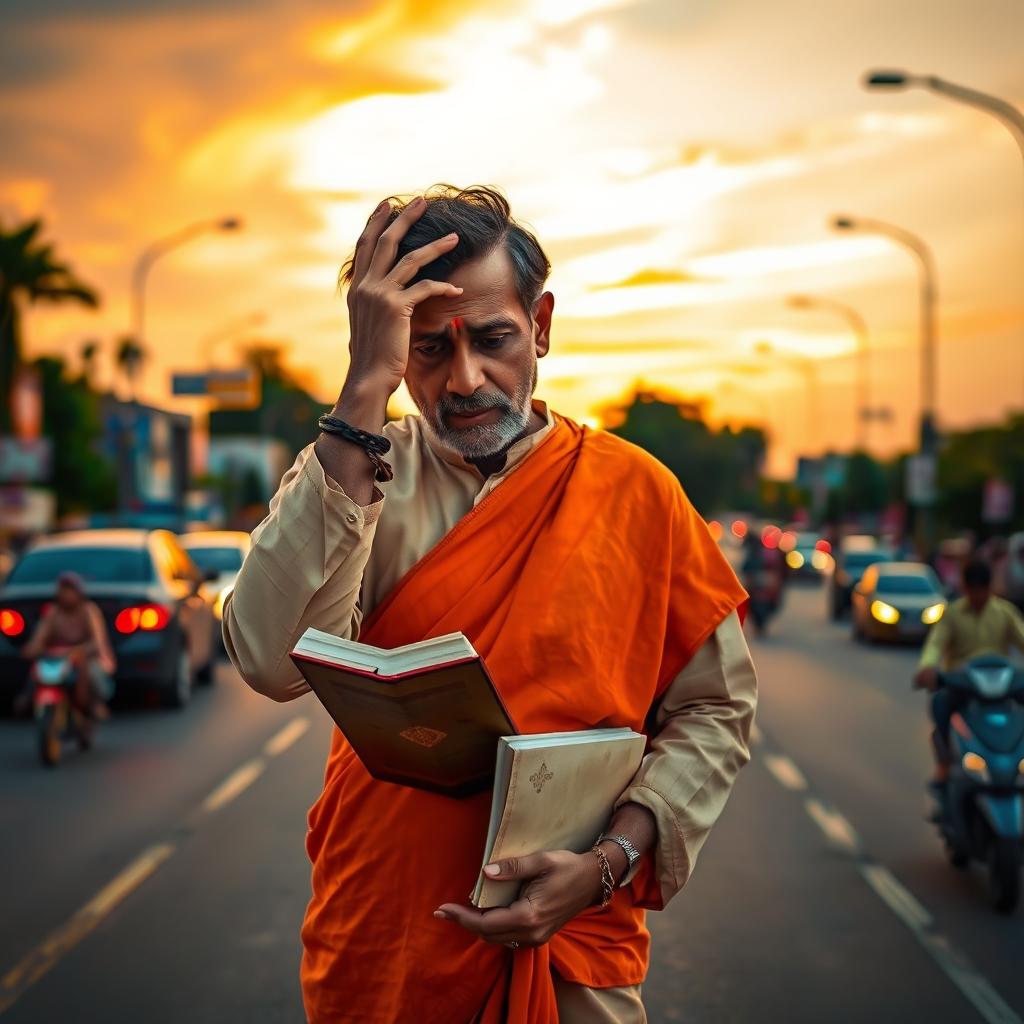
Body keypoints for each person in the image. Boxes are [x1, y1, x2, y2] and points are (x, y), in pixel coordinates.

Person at [224, 186, 757, 1024]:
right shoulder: (354, 474)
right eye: (429, 349)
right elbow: (268, 661)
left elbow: (715, 710)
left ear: (540, 324)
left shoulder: (637, 493)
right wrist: (365, 389)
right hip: (385, 940)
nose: (465, 378)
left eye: (495, 339)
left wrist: (610, 861)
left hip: (574, 950)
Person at [914, 559, 1024, 783]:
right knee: (940, 705)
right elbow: (935, 644)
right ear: (965, 588)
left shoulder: (1005, 613)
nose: (977, 596)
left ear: (989, 587)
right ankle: (944, 762)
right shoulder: (952, 614)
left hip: (1001, 684)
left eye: (981, 590)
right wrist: (928, 667)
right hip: (962, 683)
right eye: (972, 590)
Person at [19, 571, 115, 719]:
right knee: (38, 670)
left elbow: (97, 641)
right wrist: (32, 648)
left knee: (93, 674)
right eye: (63, 591)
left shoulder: (88, 610)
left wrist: (79, 650)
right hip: (58, 656)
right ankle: (27, 697)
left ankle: (95, 703)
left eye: (70, 591)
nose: (66, 595)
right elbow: (40, 636)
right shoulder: (53, 612)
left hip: (86, 655)